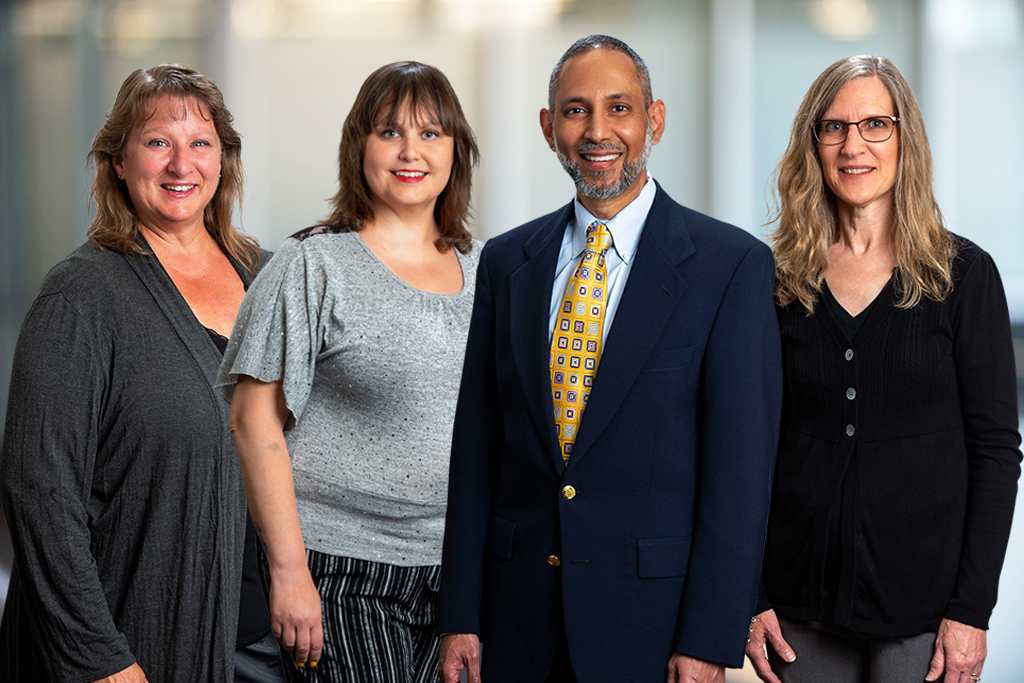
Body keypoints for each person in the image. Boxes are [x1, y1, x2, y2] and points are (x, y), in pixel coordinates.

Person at [436, 34, 782, 683]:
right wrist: (460, 612)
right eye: (575, 110)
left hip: (651, 625)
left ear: (654, 120)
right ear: (548, 127)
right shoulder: (508, 262)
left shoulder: (728, 267)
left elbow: (739, 474)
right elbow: (477, 448)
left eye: (618, 108)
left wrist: (710, 636)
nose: (597, 130)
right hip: (516, 622)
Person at [0, 64, 282, 683]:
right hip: (135, 646)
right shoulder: (80, 297)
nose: (182, 165)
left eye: (200, 143)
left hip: (262, 639)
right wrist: (101, 660)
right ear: (118, 162)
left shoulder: (269, 275)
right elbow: (40, 495)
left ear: (223, 159)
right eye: (158, 142)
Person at [745, 55, 1022, 683]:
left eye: (875, 124)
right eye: (834, 127)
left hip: (925, 614)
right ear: (812, 143)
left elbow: (997, 452)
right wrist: (750, 592)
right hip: (796, 612)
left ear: (906, 139)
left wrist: (972, 612)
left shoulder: (964, 277)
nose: (853, 145)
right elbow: (749, 450)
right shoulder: (774, 283)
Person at [215, 61, 481, 683]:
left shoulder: (485, 271)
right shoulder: (312, 265)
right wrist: (289, 573)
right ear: (358, 145)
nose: (410, 151)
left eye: (431, 134)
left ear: (455, 151)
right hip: (341, 569)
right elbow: (253, 424)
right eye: (389, 132)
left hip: (456, 576)